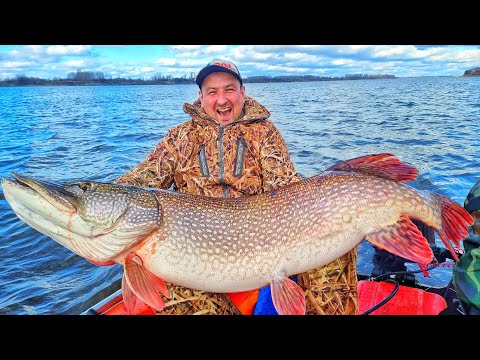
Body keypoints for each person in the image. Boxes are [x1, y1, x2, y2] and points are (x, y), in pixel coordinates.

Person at [114, 58, 358, 315]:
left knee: (337, 253)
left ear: (242, 92)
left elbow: (285, 186)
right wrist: (106, 225)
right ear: (201, 96)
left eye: (229, 89)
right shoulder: (179, 138)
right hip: (194, 248)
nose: (222, 100)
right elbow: (141, 180)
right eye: (212, 92)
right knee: (170, 288)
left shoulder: (264, 133)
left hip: (264, 238)